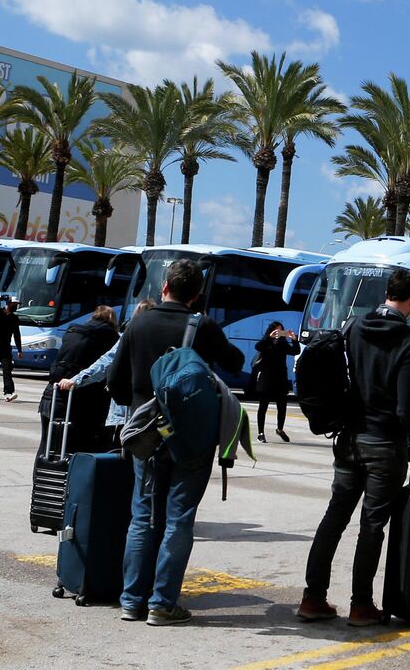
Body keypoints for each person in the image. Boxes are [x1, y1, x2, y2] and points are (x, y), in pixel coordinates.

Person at [109, 263, 241, 627]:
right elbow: (236, 362)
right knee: (178, 519)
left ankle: (132, 601)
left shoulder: (139, 323)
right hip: (192, 439)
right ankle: (162, 603)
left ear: (164, 286)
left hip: (148, 435)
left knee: (142, 517)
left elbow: (115, 382)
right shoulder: (203, 326)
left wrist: (140, 404)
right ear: (196, 295)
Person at [296, 268, 410, 627]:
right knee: (372, 525)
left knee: (335, 516)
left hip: (349, 437)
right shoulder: (409, 343)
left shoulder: (354, 327)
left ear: (387, 293)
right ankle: (361, 605)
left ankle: (312, 598)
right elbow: (405, 406)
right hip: (385, 444)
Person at [61, 300, 153, 444]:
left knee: (121, 453)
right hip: (154, 410)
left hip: (126, 409)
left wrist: (76, 380)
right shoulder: (166, 335)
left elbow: (105, 363)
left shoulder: (129, 335)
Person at [48, 305, 121, 453]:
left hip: (54, 392)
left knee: (49, 443)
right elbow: (106, 363)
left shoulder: (74, 330)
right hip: (86, 396)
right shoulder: (110, 336)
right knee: (86, 442)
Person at [252, 321, 301, 443]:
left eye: (281, 331)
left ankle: (280, 429)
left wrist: (294, 340)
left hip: (280, 378)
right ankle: (261, 433)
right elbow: (258, 346)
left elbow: (295, 351)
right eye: (276, 331)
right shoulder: (266, 343)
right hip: (266, 377)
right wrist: (270, 337)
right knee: (263, 406)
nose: (279, 333)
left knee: (282, 406)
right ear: (271, 331)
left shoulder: (283, 344)